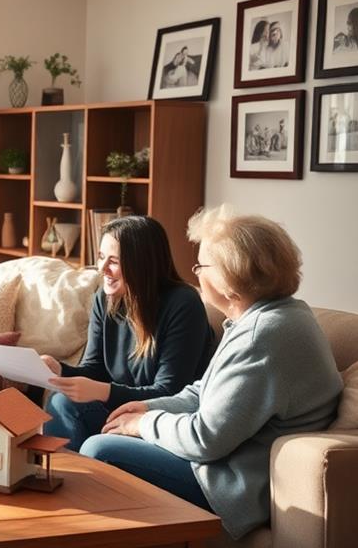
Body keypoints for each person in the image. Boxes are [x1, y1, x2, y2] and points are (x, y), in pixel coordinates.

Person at [83, 206, 342, 540]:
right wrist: (150, 407)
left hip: (229, 481)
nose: (195, 273)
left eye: (201, 265)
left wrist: (143, 425)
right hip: (222, 460)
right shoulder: (269, 317)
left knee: (98, 451)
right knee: (100, 434)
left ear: (231, 277)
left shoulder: (261, 336)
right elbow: (204, 390)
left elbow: (207, 439)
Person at [41, 216, 214, 452]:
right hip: (119, 411)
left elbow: (170, 392)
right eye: (101, 257)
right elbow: (95, 369)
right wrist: (60, 370)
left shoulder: (183, 304)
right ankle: (62, 478)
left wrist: (103, 391)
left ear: (141, 264)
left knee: (64, 404)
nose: (101, 269)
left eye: (113, 261)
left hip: (157, 422)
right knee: (60, 399)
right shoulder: (105, 299)